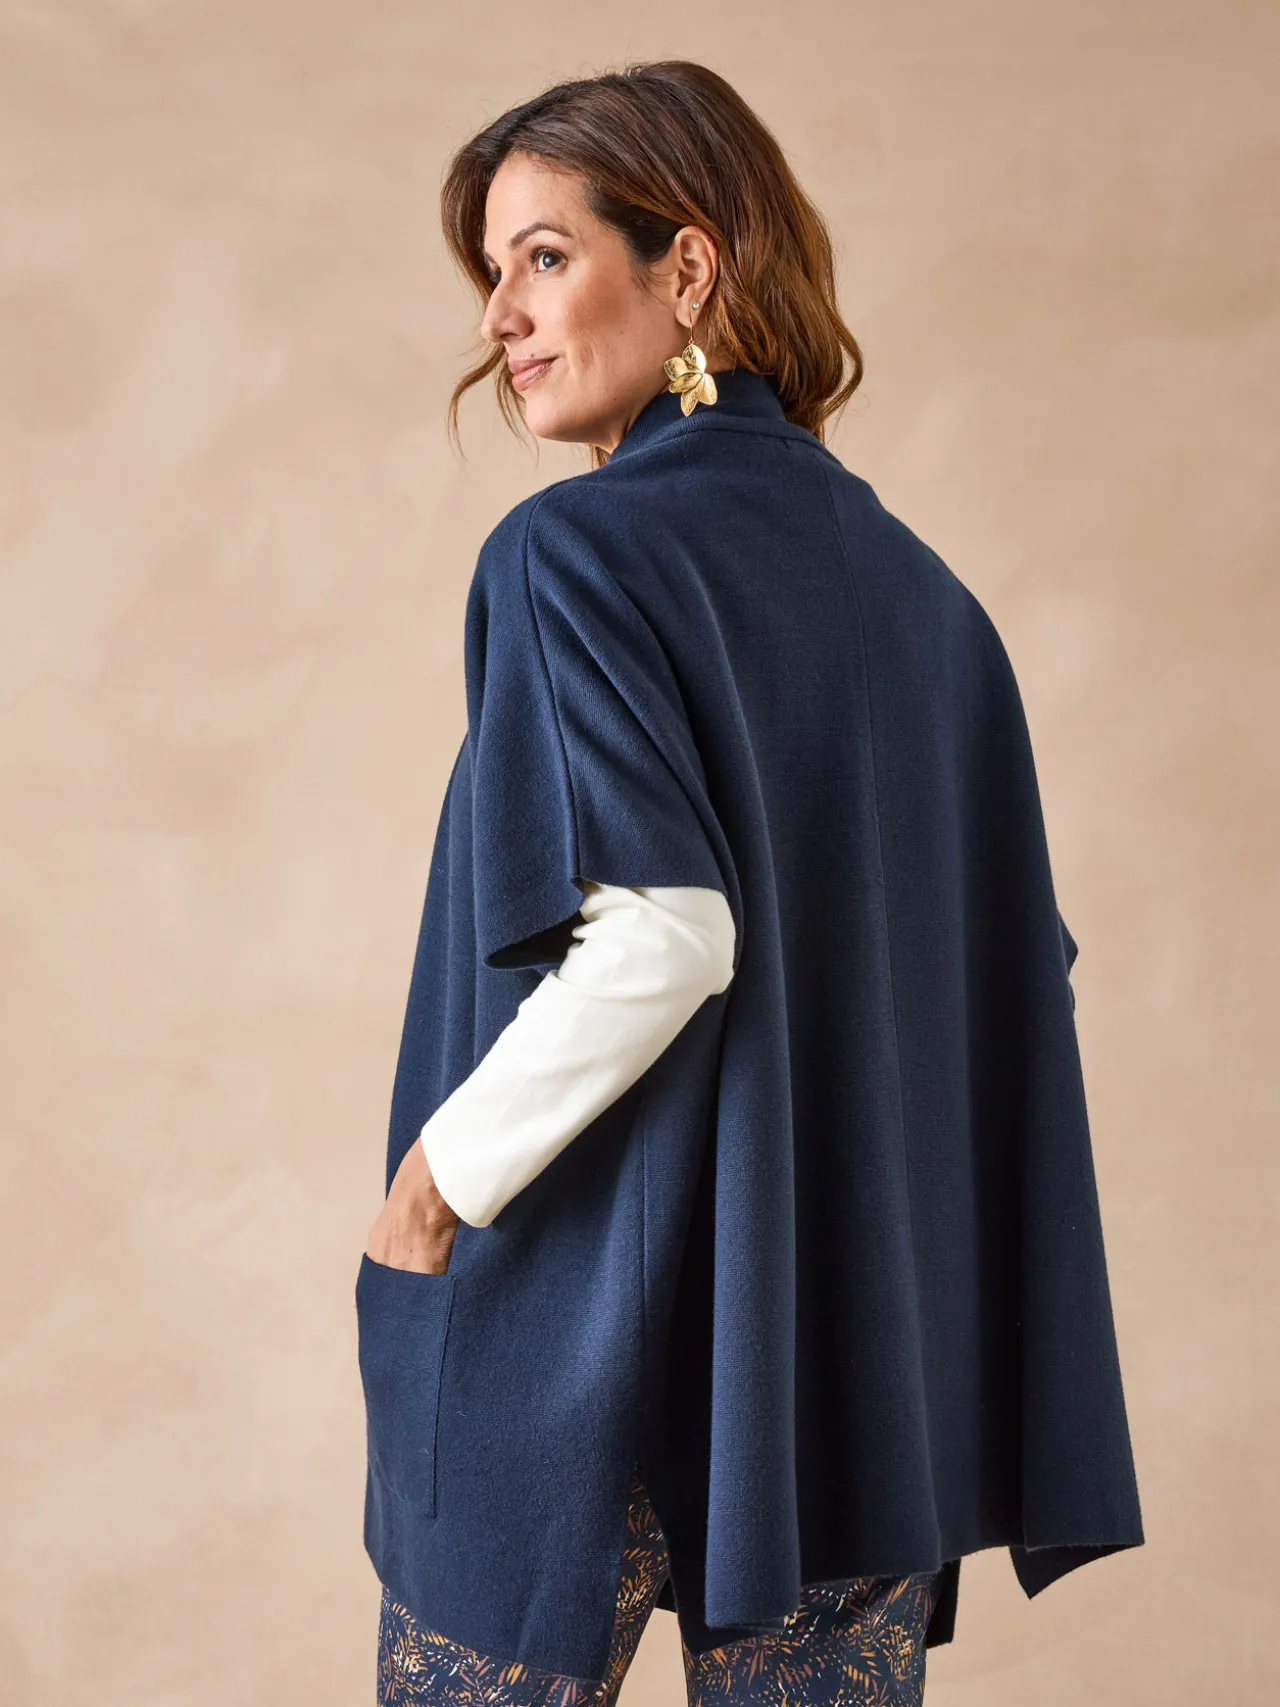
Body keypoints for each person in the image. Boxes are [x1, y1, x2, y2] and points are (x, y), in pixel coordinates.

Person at [355, 59, 1144, 1707]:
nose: (499, 315)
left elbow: (665, 936)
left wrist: (435, 1183)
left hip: (579, 1332)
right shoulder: (933, 606)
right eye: (491, 270)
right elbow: (997, 990)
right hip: (851, 1374)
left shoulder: (569, 552)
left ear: (689, 268)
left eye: (545, 256)